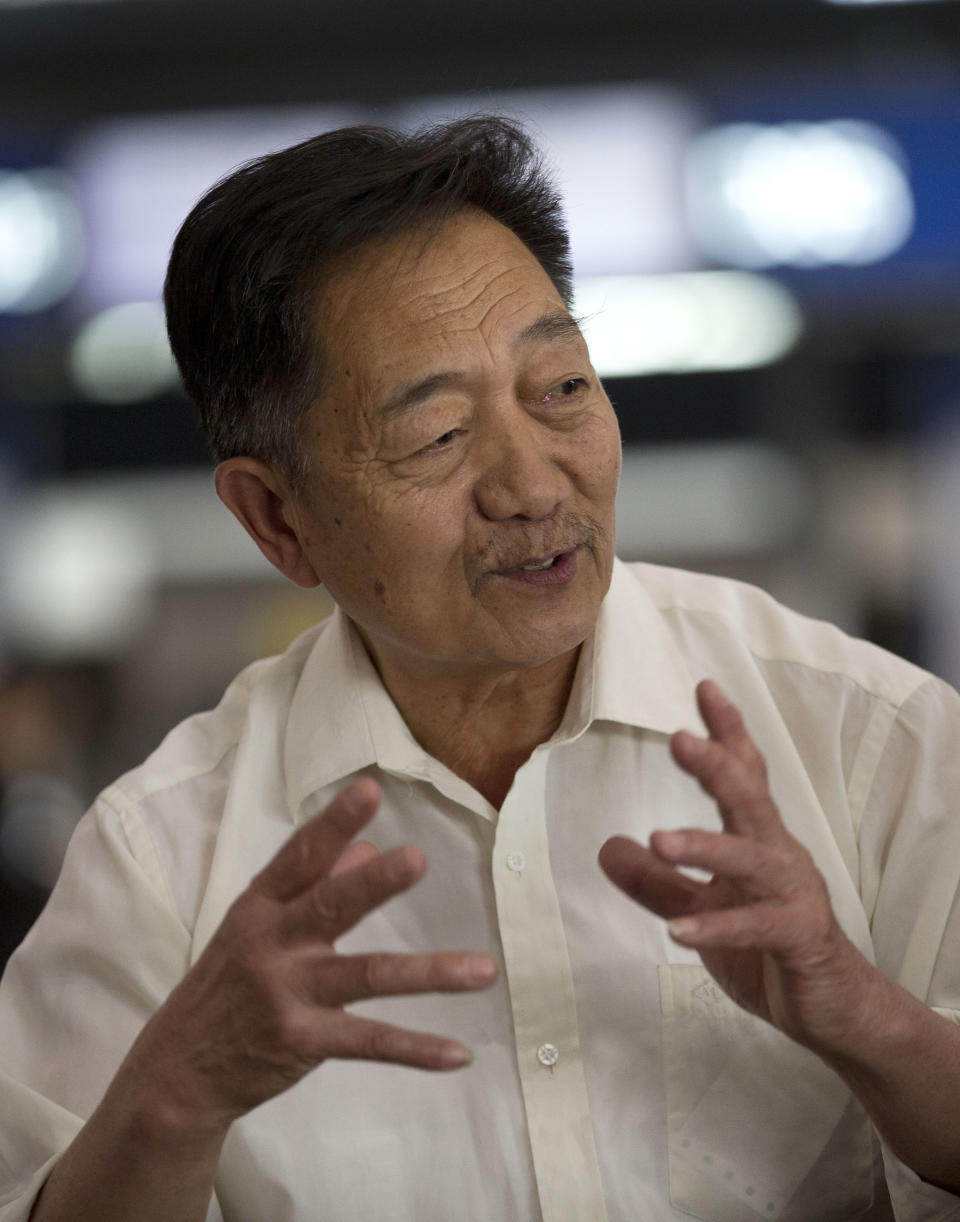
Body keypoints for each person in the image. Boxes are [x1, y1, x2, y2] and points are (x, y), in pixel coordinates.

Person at [1, 117, 959, 1222]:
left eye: (560, 387)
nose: (532, 482)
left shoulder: (865, 737)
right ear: (278, 521)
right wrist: (173, 1101)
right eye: (439, 437)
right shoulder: (162, 861)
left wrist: (864, 1016)